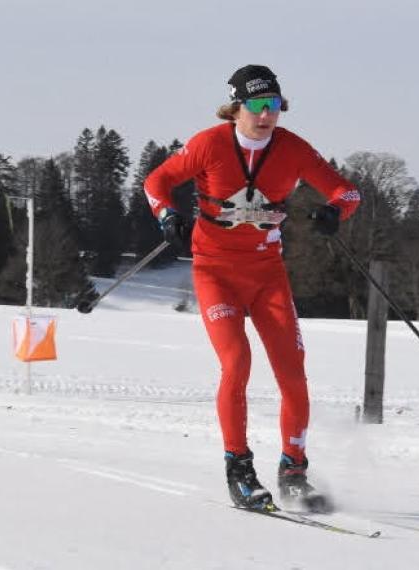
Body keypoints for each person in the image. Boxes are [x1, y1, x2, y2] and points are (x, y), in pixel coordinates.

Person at [143, 64, 360, 512]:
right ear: (236, 108)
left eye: (275, 106)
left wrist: (335, 211)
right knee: (237, 363)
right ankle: (239, 470)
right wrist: (167, 215)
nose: (267, 116)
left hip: (267, 275)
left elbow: (348, 192)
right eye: (258, 106)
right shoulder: (209, 144)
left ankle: (293, 471)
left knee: (293, 373)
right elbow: (156, 181)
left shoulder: (293, 149)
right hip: (215, 272)